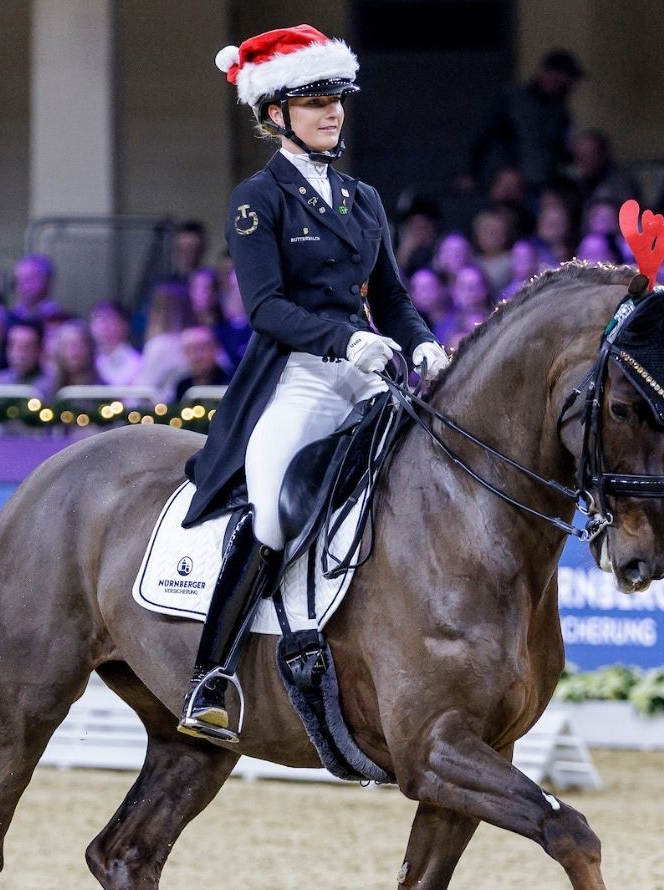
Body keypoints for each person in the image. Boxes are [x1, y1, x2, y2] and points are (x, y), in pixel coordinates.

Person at [181, 26, 445, 744]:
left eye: (337, 100)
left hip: (370, 375)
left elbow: (390, 296)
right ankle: (213, 675)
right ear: (274, 114)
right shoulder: (256, 199)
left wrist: (421, 344)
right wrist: (345, 338)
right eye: (315, 101)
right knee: (272, 511)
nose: (333, 113)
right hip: (298, 380)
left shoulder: (363, 198)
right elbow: (264, 308)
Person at [464, 48, 583, 192]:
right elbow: (484, 136)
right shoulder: (512, 100)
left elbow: (561, 149)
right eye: (562, 81)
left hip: (547, 185)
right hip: (515, 185)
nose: (566, 88)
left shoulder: (560, 111)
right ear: (548, 74)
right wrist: (471, 173)